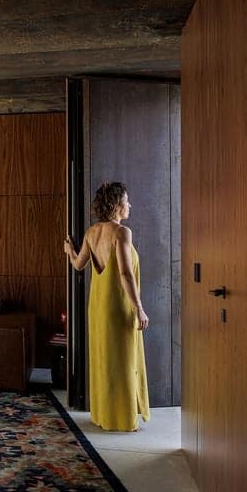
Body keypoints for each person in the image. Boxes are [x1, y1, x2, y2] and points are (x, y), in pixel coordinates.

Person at [63, 181, 150, 432]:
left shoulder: (92, 233)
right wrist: (139, 308)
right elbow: (124, 273)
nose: (129, 205)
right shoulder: (122, 233)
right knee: (122, 361)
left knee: (104, 360)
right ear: (116, 205)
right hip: (118, 305)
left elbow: (79, 265)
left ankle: (103, 414)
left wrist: (70, 250)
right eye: (126, 200)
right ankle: (121, 419)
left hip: (98, 308)